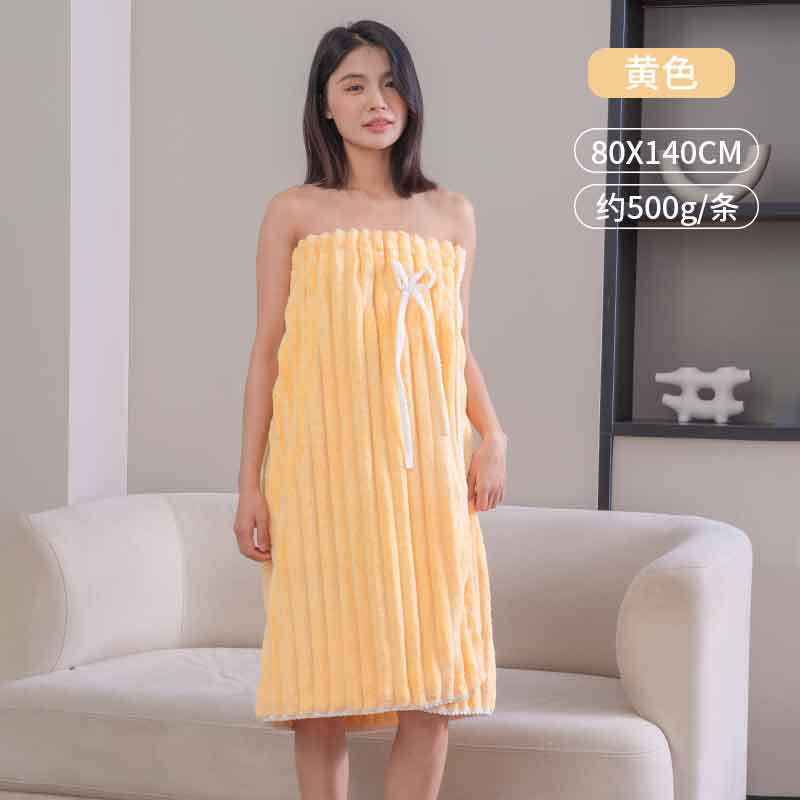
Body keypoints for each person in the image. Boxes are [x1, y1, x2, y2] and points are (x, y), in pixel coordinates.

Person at [234, 19, 507, 800]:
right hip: (321, 474)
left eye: (390, 84)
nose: (376, 101)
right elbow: (267, 351)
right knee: (321, 689)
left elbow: (452, 345)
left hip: (428, 480)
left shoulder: (451, 214)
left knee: (432, 689)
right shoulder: (295, 212)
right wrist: (250, 485)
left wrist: (493, 435)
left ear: (410, 98)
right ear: (325, 105)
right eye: (354, 85)